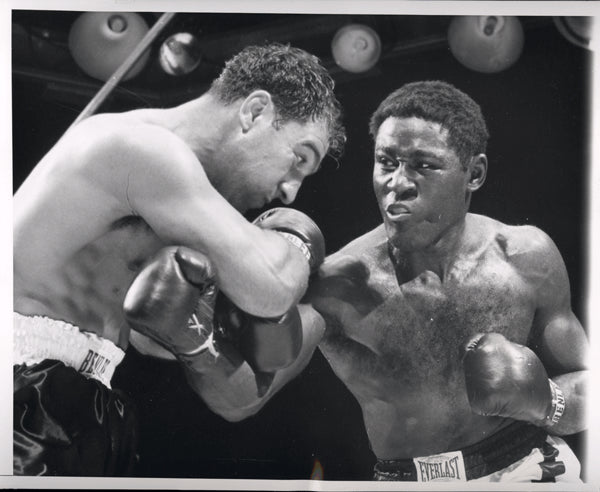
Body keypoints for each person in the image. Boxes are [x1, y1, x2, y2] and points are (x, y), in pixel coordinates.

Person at [133, 80, 588, 483]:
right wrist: (195, 345)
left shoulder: (527, 257)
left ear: (475, 173)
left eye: (423, 165)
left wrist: (545, 400)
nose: (398, 183)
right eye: (386, 162)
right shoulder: (339, 284)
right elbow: (244, 398)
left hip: (532, 468)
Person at [12, 42, 345, 476]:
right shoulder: (142, 149)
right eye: (298, 159)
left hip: (82, 397)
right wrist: (297, 242)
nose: (290, 190)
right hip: (22, 390)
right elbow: (271, 289)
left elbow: (160, 338)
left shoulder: (171, 207)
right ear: (255, 112)